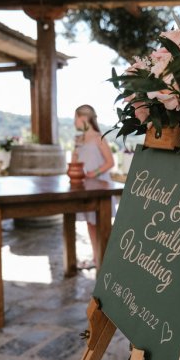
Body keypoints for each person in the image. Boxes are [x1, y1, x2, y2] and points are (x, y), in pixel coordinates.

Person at [71, 104, 115, 267]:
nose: (74, 122)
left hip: (100, 185)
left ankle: (108, 259)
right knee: (90, 223)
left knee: (102, 223)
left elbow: (110, 162)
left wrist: (93, 173)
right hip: (85, 187)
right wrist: (75, 153)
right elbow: (75, 163)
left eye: (75, 118)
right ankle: (97, 259)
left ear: (83, 118)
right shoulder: (79, 140)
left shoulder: (99, 137)